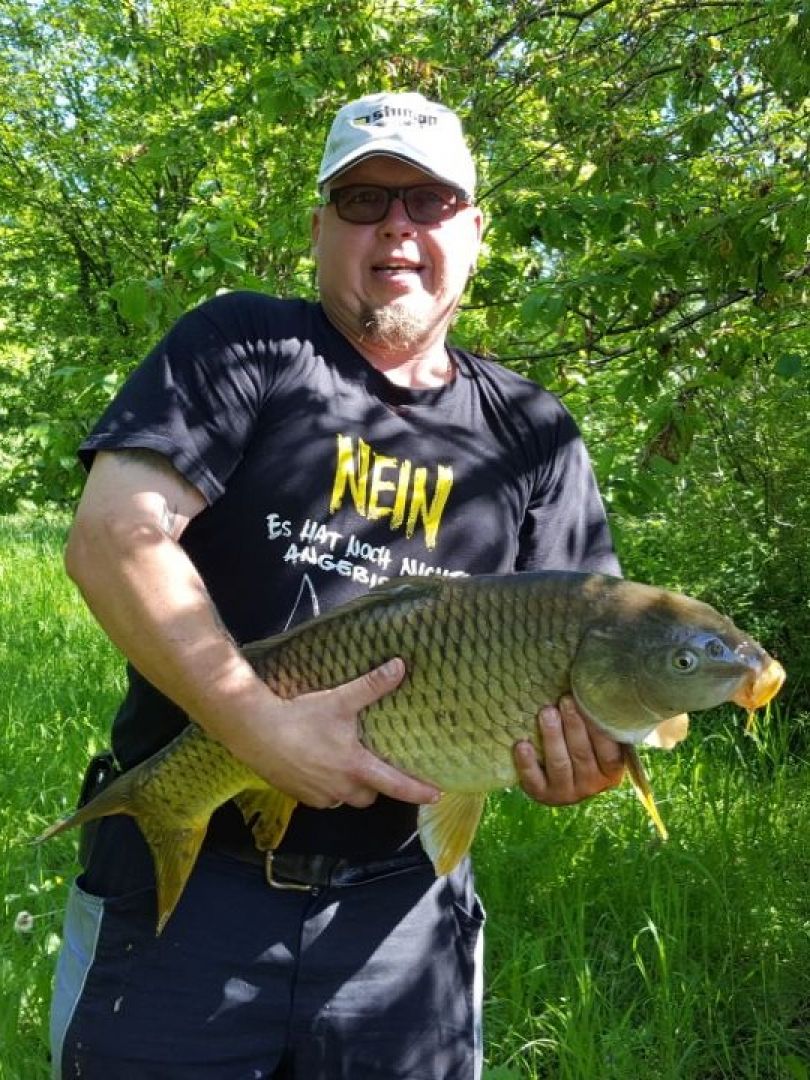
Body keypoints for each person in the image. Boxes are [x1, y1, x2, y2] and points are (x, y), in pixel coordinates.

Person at [49, 91, 624, 1079]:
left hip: (402, 918)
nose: (396, 223)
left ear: (475, 232)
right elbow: (112, 538)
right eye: (363, 198)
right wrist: (256, 727)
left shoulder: (535, 434)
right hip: (187, 906)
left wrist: (588, 758)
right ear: (320, 228)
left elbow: (594, 655)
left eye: (430, 200)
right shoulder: (243, 345)